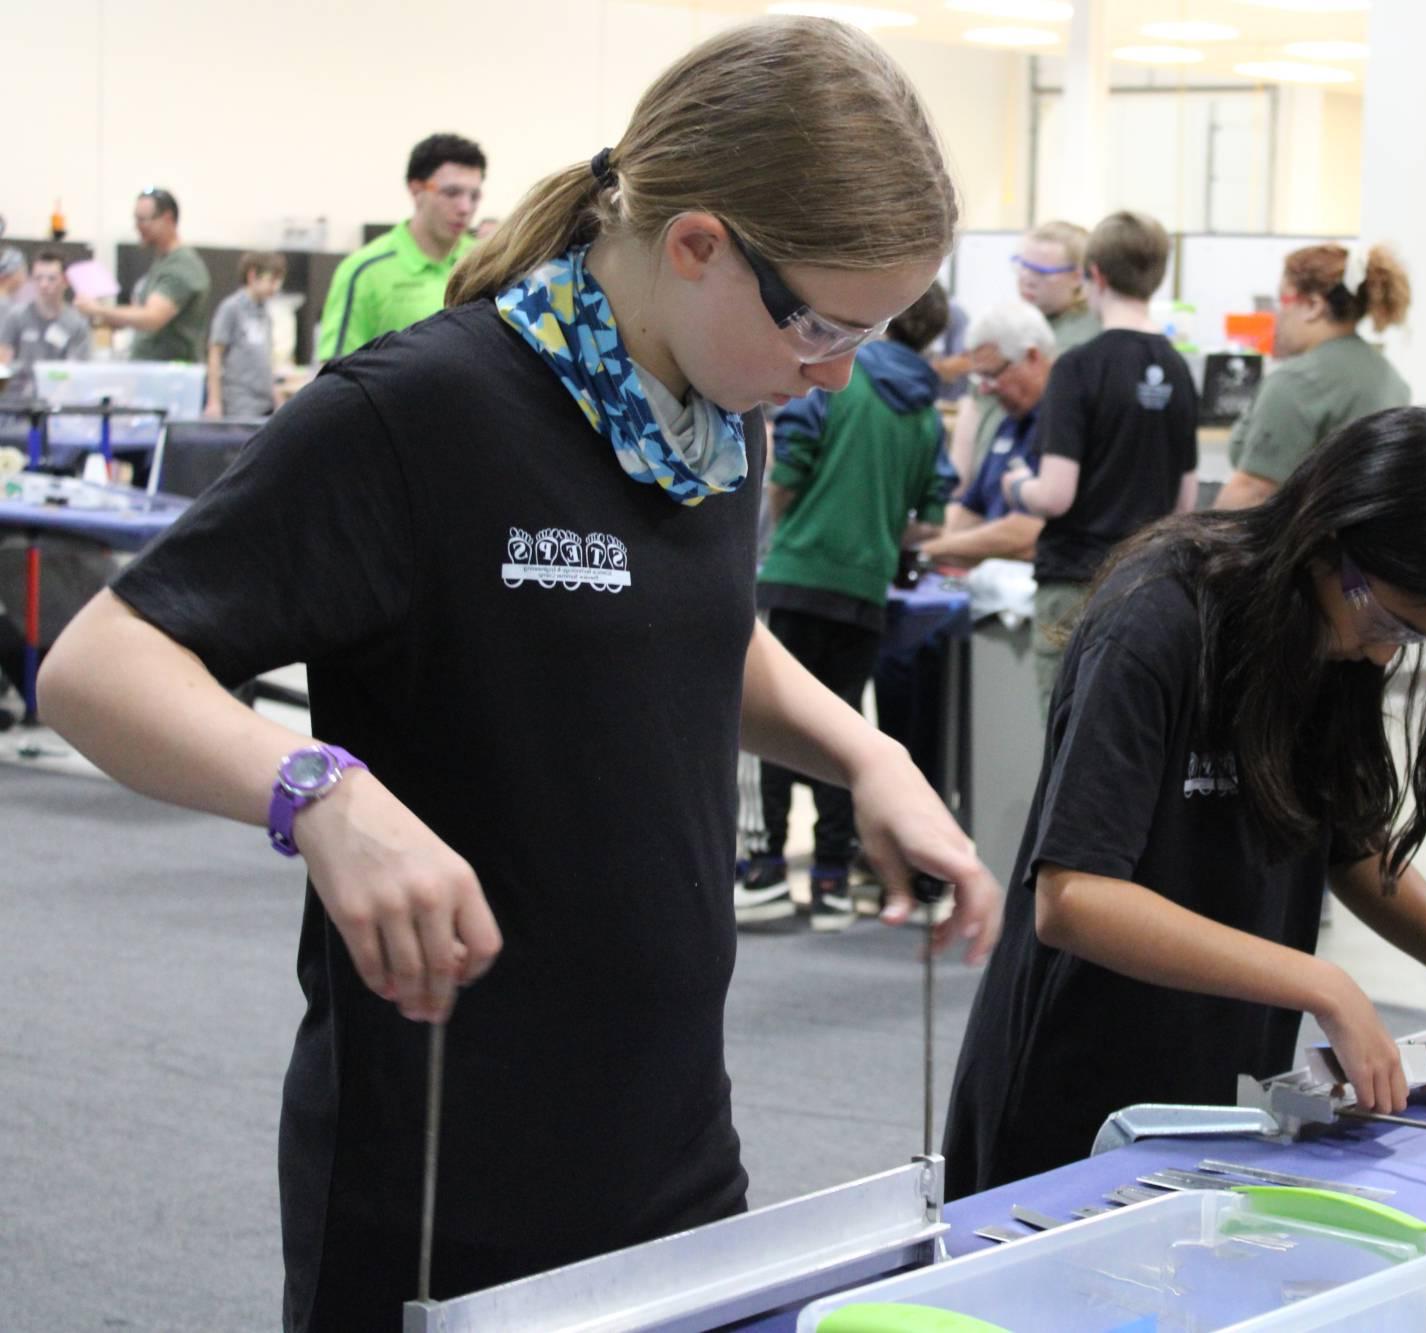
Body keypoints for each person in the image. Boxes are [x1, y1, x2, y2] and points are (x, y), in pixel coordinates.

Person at [37, 19, 999, 1330]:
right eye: (822, 325)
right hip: (446, 1168)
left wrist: (864, 752)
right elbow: (99, 665)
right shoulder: (417, 415)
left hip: (674, 1146)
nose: (833, 369)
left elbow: (693, 626)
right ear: (698, 245)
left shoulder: (718, 418)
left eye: (875, 332)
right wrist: (318, 789)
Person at [942, 406, 1426, 1196]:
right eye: (1386, 618)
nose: (1387, 650)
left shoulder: (1338, 642)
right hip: (1072, 1095)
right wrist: (1321, 982)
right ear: (1328, 538)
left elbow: (1350, 842)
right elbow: (1074, 897)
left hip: (1214, 1090)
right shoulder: (1157, 618)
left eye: (1416, 636)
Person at [737, 282, 954, 930]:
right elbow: (932, 515)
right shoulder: (926, 413)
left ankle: (768, 868)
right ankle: (832, 877)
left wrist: (785, 529)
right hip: (867, 588)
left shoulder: (836, 381)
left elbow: (788, 471)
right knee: (842, 728)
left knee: (778, 726)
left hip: (797, 574)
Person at [1006, 210, 1198, 716]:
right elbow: (1185, 503)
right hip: (1145, 587)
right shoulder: (1178, 370)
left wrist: (1018, 486)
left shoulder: (1077, 367)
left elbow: (1055, 494)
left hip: (1074, 583)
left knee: (1065, 738)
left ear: (1094, 275)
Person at [1213, 243, 1412, 510]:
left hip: (1305, 546)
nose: (1279, 315)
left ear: (1312, 305)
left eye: (1283, 300)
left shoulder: (1297, 382)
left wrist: (1202, 548)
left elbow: (1253, 490)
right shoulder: (1389, 377)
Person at [944, 220, 1098, 493]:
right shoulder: (1006, 322)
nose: (1027, 278)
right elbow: (973, 405)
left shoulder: (1089, 339)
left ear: (1077, 276)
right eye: (1022, 266)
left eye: (1041, 271)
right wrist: (956, 489)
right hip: (985, 488)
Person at [315, 134, 487, 361]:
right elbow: (335, 374)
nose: (465, 207)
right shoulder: (365, 271)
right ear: (416, 190)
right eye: (451, 193)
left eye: (474, 195)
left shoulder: (483, 263)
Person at [920, 300, 1055, 567]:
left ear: (1032, 357)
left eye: (992, 375)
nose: (984, 390)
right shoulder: (1009, 422)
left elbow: (1027, 532)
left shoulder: (1062, 426)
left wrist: (928, 549)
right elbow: (970, 511)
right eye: (978, 378)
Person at [76, 188, 210, 362]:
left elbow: (152, 317)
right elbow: (143, 316)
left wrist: (98, 310)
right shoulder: (162, 263)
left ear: (167, 219)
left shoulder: (182, 266)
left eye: (143, 221)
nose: (137, 227)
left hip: (171, 378)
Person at [206, 252, 286, 419]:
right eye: (271, 280)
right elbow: (215, 354)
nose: (275, 287)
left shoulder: (266, 313)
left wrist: (277, 397)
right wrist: (214, 401)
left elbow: (267, 360)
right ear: (252, 276)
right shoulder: (231, 308)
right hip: (239, 403)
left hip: (264, 403)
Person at [0, 251, 93, 392]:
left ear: (65, 281)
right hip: (17, 402)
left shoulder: (77, 324)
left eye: (51, 279)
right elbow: (3, 361)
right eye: (38, 278)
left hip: (57, 400)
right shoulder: (16, 317)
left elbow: (75, 373)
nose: (44, 284)